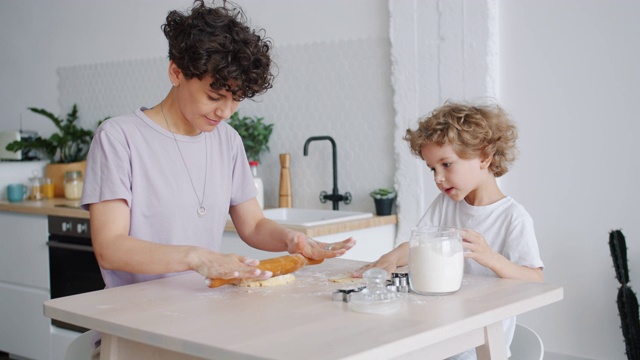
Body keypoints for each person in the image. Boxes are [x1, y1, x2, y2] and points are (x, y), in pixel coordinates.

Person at [81, 0, 356, 291]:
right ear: (176, 73)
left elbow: (253, 226)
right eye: (214, 97)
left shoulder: (227, 140)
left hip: (202, 309)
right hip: (132, 318)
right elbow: (110, 248)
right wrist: (196, 257)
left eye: (236, 99)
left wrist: (292, 240)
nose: (225, 112)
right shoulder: (119, 138)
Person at [353, 100, 543, 359]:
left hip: (481, 345)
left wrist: (492, 258)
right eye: (433, 168)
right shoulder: (445, 204)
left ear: (484, 157)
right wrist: (390, 259)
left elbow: (535, 280)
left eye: (447, 164)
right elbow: (418, 244)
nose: (437, 178)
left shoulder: (513, 217)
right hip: (443, 335)